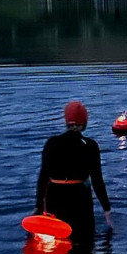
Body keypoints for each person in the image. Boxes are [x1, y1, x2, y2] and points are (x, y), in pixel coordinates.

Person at [35, 101, 114, 243]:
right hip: (80, 199)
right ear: (84, 122)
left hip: (55, 197)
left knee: (57, 241)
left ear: (66, 120)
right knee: (84, 241)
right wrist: (106, 209)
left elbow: (43, 177)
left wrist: (38, 206)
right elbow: (97, 181)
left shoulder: (52, 143)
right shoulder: (90, 146)